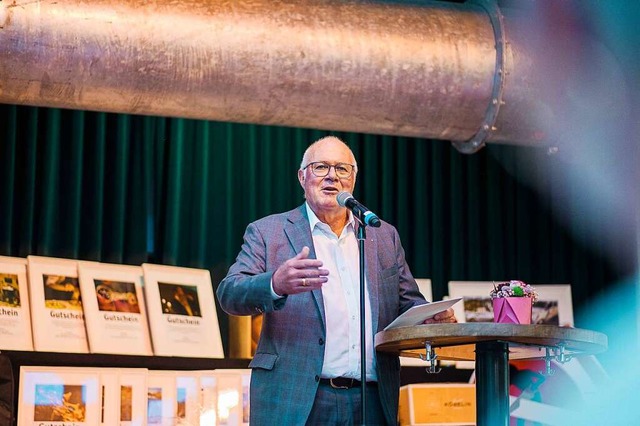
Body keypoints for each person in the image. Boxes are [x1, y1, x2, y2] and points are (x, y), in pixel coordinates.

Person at [217, 136, 456, 425]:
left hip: (371, 399)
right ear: (302, 177)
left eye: (342, 169)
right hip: (298, 398)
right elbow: (230, 293)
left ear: (353, 180)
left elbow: (407, 303)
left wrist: (429, 318)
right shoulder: (269, 232)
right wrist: (275, 284)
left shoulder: (382, 235)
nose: (332, 175)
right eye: (320, 167)